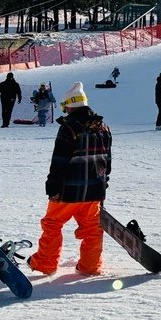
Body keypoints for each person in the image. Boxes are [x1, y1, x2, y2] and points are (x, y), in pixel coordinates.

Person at [27, 83, 112, 277]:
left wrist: (52, 185)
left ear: (69, 106)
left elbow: (59, 160)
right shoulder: (104, 127)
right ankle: (90, 266)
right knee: (92, 228)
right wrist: (103, 184)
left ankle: (46, 263)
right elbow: (107, 160)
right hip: (94, 190)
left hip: (68, 190)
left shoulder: (69, 128)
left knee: (52, 224)